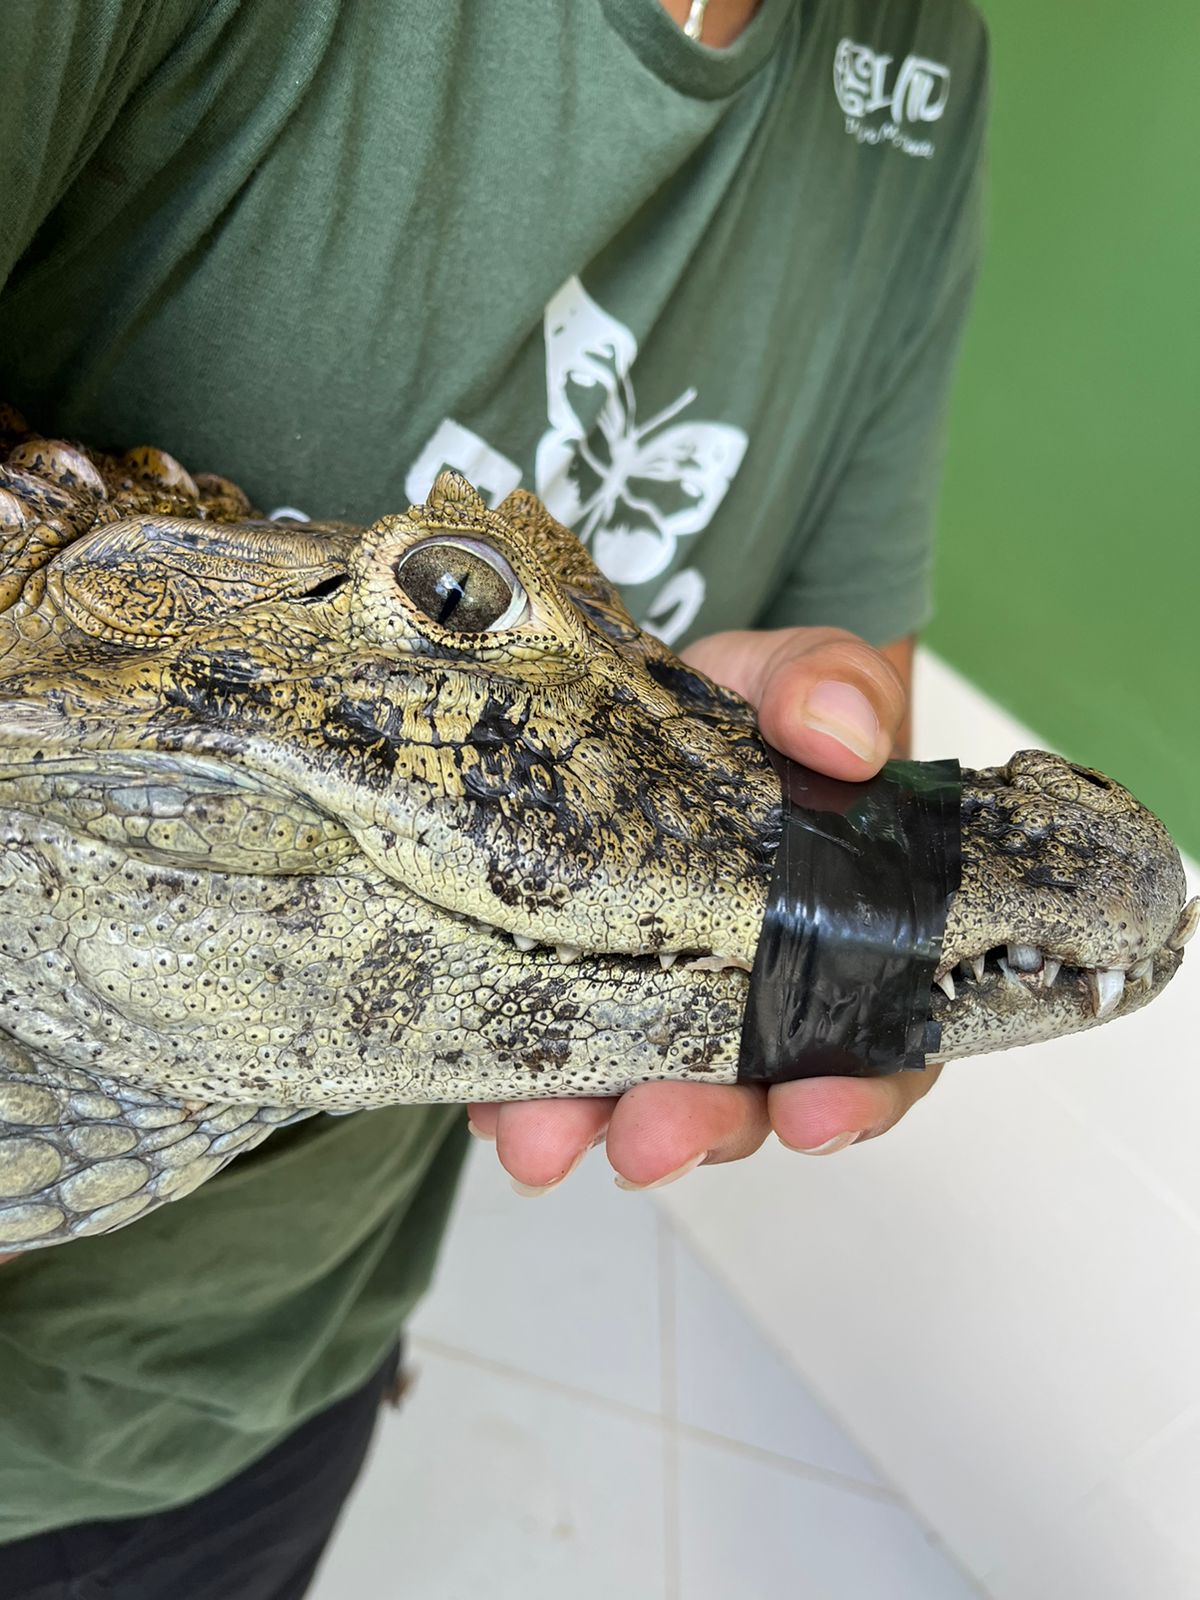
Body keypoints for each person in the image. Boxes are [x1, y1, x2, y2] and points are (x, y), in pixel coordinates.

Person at [0, 0, 987, 1593]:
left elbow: (849, 692)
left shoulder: (924, 58)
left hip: (286, 1374)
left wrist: (812, 766)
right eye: (454, 607)